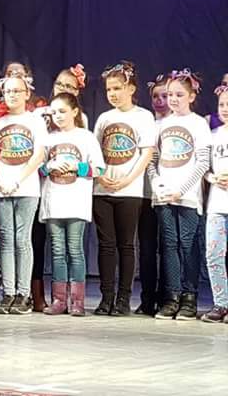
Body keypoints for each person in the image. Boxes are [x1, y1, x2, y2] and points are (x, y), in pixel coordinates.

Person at [92, 61, 155, 316]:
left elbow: (146, 153)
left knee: (126, 245)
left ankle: (123, 299)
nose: (113, 94)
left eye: (117, 88)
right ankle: (106, 297)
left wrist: (127, 180)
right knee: (106, 245)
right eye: (109, 89)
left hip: (129, 191)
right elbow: (95, 152)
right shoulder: (104, 118)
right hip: (103, 190)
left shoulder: (143, 116)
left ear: (131, 88)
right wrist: (101, 175)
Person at [148, 69, 211, 320]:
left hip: (187, 197)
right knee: (169, 245)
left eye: (179, 95)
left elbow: (203, 162)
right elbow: (152, 160)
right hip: (164, 195)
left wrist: (181, 190)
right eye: (169, 94)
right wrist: (158, 185)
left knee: (188, 245)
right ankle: (172, 296)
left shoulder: (198, 123)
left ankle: (189, 297)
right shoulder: (161, 124)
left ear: (192, 96)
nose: (173, 99)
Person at [39, 93, 105, 316]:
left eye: (62, 111)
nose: (58, 116)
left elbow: (99, 169)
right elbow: (39, 169)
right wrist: (49, 167)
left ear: (75, 112)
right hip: (53, 201)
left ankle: (77, 301)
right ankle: (59, 300)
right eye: (54, 112)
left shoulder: (86, 137)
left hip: (76, 201)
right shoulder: (48, 139)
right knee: (57, 251)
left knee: (75, 249)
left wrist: (77, 167)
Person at [0, 72, 48, 315]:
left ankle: (23, 294)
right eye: (8, 91)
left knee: (22, 239)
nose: (11, 95)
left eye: (16, 91)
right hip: (2, 188)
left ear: (26, 94)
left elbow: (39, 154)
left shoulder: (35, 121)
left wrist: (18, 179)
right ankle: (8, 292)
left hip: (26, 188)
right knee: (5, 239)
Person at [134, 74, 170, 315]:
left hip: (168, 195)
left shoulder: (177, 124)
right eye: (156, 96)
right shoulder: (148, 122)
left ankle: (167, 296)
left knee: (167, 248)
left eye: (164, 96)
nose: (160, 100)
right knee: (147, 249)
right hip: (146, 194)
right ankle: (147, 298)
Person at [202, 84, 228, 322]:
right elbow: (205, 168)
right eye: (222, 105)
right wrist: (212, 178)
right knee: (213, 254)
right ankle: (221, 303)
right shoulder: (213, 135)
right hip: (217, 204)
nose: (225, 109)